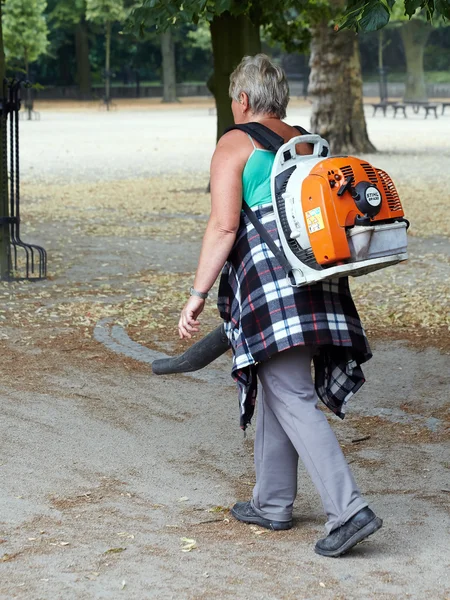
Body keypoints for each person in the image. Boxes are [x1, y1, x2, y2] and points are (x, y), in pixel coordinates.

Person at [178, 54, 382, 557]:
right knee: (277, 382)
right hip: (319, 280)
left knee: (289, 393)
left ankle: (349, 509)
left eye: (232, 99)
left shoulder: (235, 141)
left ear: (242, 100)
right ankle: (272, 502)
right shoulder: (306, 141)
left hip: (271, 288)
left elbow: (225, 226)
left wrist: (198, 294)